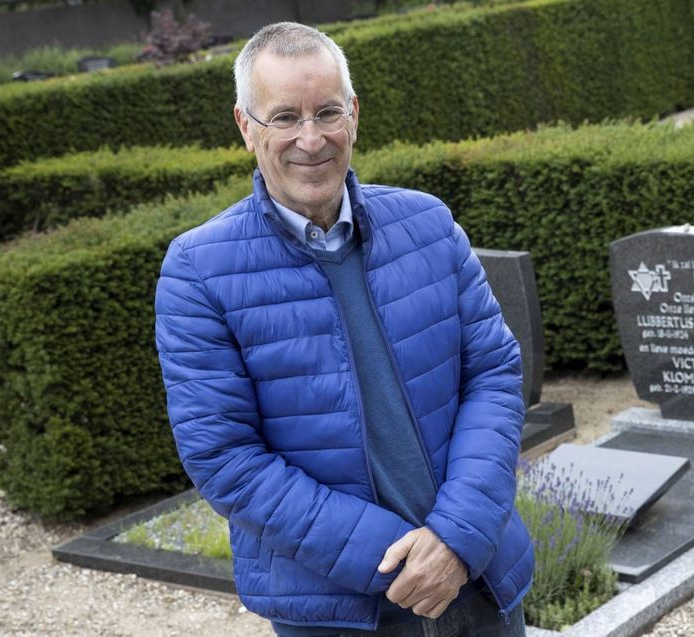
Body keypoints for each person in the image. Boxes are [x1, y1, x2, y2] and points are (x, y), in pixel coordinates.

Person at [154, 21, 534, 637]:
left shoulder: (429, 224)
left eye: (327, 111)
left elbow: (492, 373)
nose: (311, 138)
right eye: (284, 117)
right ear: (245, 127)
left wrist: (456, 539)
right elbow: (225, 457)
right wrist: (402, 563)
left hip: (479, 583)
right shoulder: (199, 270)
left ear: (353, 114)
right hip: (343, 613)